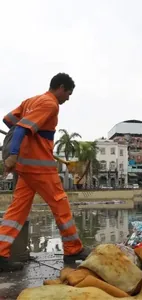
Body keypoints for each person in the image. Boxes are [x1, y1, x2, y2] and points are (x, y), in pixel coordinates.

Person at [0, 73, 89, 271]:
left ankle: (0, 253)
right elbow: (22, 128)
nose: (68, 98)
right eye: (68, 93)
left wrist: (31, 136)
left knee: (17, 210)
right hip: (39, 166)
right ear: (60, 87)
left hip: (25, 168)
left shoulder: (30, 101)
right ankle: (73, 249)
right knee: (60, 202)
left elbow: (9, 121)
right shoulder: (50, 104)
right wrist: (13, 152)